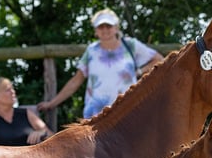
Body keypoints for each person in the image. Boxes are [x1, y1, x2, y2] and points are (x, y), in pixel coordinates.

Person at [36, 7, 164, 119]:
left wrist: (139, 72)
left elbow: (159, 59)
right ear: (95, 31)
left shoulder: (131, 45)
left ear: (116, 28)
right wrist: (52, 103)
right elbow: (76, 81)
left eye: (108, 26)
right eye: (100, 26)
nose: (105, 29)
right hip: (96, 115)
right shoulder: (91, 51)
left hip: (128, 111)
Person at [0, 77, 52, 146]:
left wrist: (42, 133)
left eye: (12, 88)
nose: (13, 92)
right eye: (8, 90)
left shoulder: (26, 113)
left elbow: (52, 136)